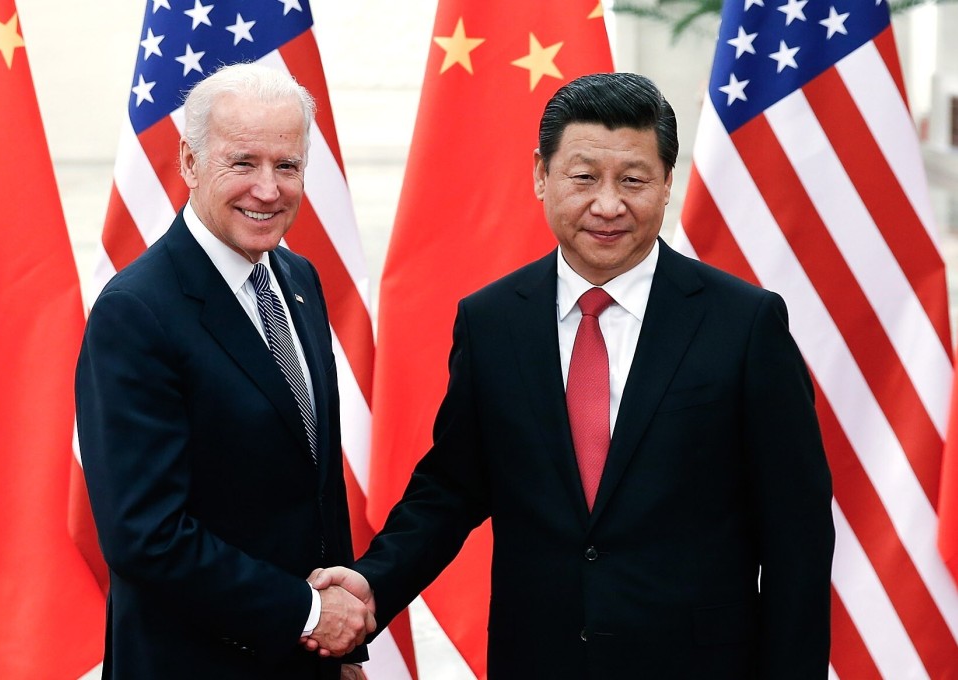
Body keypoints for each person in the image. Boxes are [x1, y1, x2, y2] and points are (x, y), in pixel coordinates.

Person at [309, 72, 834, 678]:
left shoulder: (744, 325)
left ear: (667, 184)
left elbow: (798, 537)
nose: (607, 205)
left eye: (633, 180)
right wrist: (371, 584)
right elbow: (451, 488)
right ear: (541, 174)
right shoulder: (492, 320)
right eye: (584, 177)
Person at [75, 63, 373, 679]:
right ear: (189, 161)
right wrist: (308, 613)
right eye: (242, 163)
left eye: (287, 166)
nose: (268, 189)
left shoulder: (298, 280)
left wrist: (343, 650)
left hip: (306, 661)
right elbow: (145, 534)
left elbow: (316, 484)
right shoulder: (136, 311)